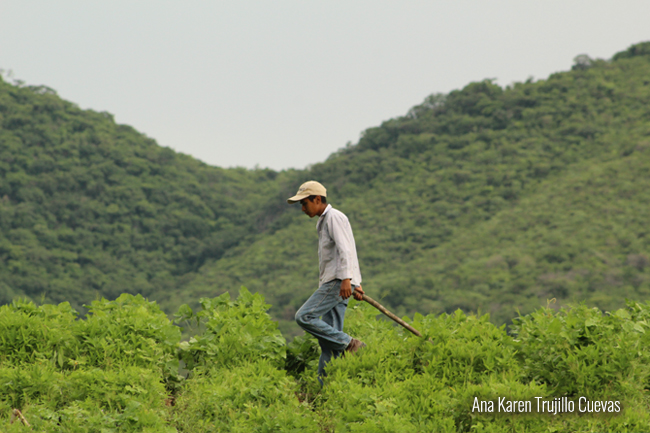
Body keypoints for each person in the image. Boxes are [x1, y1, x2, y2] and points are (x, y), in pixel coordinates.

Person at [287, 180, 366, 385]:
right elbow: (345, 250)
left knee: (304, 316)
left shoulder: (333, 217)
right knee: (329, 345)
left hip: (337, 282)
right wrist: (355, 283)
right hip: (341, 283)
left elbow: (345, 250)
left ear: (318, 199)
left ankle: (350, 343)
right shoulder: (323, 221)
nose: (303, 209)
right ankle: (327, 390)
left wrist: (348, 280)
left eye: (305, 204)